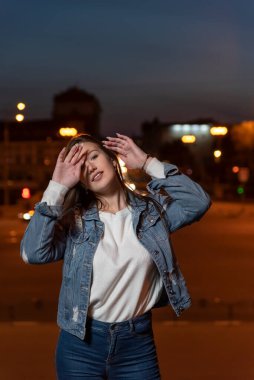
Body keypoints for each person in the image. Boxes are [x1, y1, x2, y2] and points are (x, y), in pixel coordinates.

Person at [20, 133, 211, 380]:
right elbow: (33, 253)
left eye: (93, 156)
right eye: (80, 167)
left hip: (137, 346)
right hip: (80, 346)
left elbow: (198, 202)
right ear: (80, 180)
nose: (90, 166)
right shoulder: (74, 222)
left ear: (112, 159)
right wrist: (57, 186)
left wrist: (146, 162)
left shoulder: (152, 214)